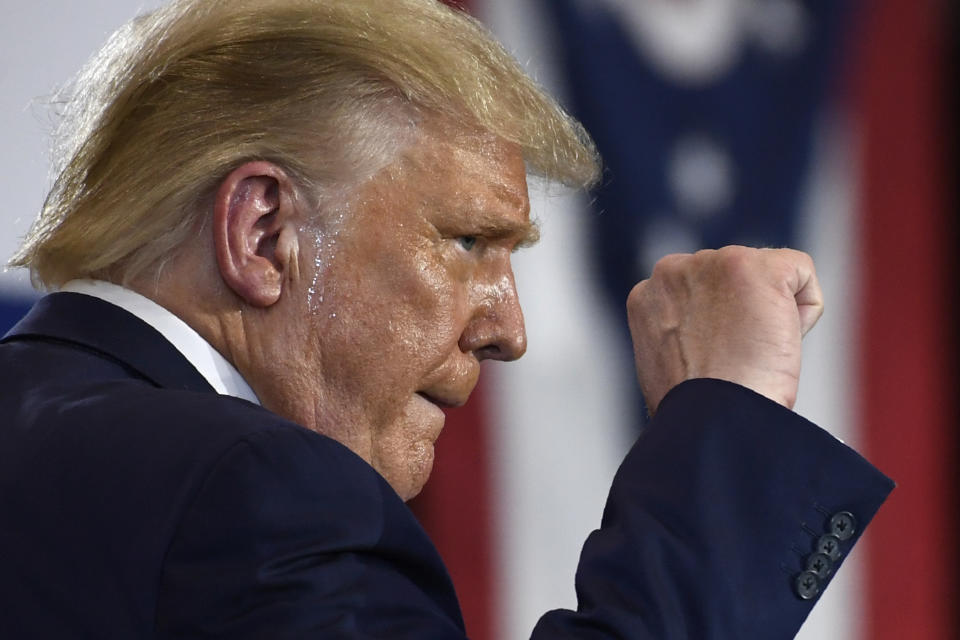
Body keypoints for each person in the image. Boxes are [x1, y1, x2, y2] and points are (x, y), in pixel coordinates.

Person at [0, 0, 892, 638]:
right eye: (468, 241)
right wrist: (725, 433)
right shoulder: (256, 493)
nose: (509, 330)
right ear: (263, 231)